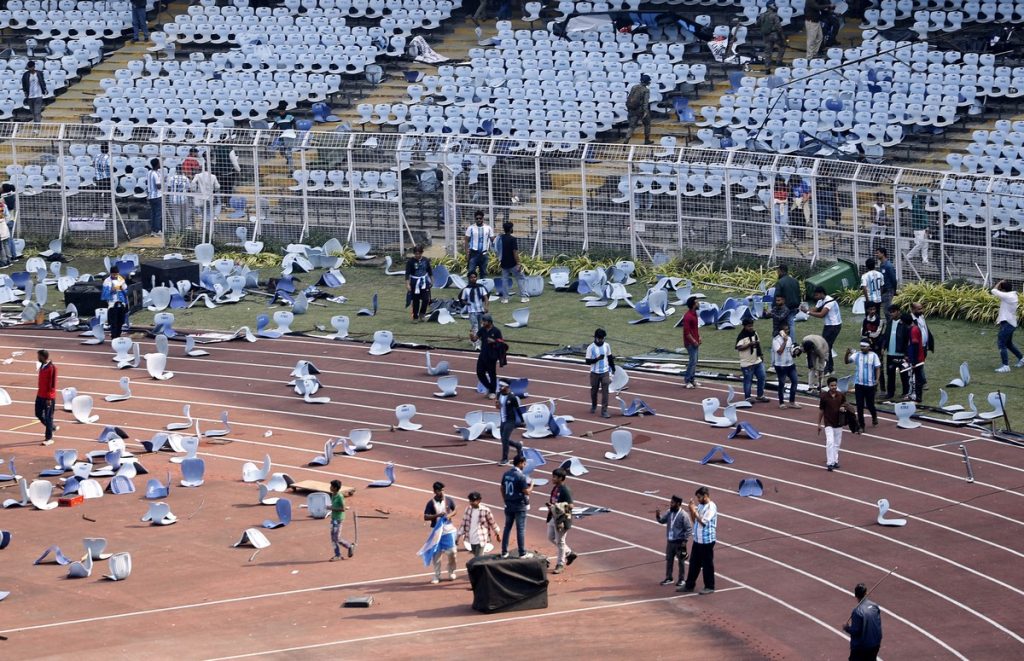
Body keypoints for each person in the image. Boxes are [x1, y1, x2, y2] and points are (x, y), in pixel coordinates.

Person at [678, 486, 717, 595]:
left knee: (707, 564)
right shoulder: (700, 506)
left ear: (705, 496)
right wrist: (692, 511)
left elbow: (703, 522)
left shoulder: (711, 507)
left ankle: (709, 586)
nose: (698, 500)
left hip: (707, 541)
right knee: (694, 563)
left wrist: (694, 511)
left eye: (699, 497)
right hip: (698, 540)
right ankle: (689, 585)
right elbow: (695, 521)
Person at [500, 454, 533, 559]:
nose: (525, 465)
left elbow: (501, 488)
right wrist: (532, 484)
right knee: (520, 529)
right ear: (520, 463)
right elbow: (526, 492)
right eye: (524, 463)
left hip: (509, 504)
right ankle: (522, 553)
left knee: (507, 528)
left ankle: (504, 552)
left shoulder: (506, 474)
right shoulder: (521, 476)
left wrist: (505, 499)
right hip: (519, 506)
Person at [424, 482, 458, 583]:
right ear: (434, 491)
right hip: (436, 531)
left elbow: (455, 510)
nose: (442, 492)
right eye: (440, 490)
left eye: (443, 490)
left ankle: (451, 571)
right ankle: (437, 575)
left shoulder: (448, 500)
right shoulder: (431, 503)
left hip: (448, 530)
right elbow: (425, 516)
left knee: (452, 552)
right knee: (436, 554)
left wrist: (449, 515)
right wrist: (437, 515)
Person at [657, 495, 692, 587]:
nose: (670, 504)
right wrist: (658, 516)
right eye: (670, 502)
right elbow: (662, 521)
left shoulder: (683, 515)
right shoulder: (669, 512)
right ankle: (669, 578)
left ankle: (681, 579)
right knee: (669, 560)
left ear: (678, 504)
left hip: (679, 542)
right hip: (670, 541)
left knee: (681, 561)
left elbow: (688, 529)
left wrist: (685, 541)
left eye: (672, 503)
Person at [546, 467, 576, 574]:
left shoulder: (565, 490)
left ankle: (560, 564)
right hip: (552, 517)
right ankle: (569, 553)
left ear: (561, 478)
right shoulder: (555, 488)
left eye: (554, 477)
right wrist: (552, 507)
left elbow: (571, 506)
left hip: (561, 520)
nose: (552, 479)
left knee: (560, 542)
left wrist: (559, 509)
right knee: (550, 537)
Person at [845, 340, 880, 431]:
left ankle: (874, 416)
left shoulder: (874, 356)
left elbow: (877, 368)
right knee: (859, 406)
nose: (862, 348)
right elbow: (847, 362)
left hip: (870, 385)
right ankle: (861, 425)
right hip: (859, 384)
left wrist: (877, 379)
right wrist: (847, 354)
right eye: (861, 346)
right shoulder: (857, 355)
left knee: (870, 405)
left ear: (869, 347)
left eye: (864, 347)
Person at [843, 583, 883, 660]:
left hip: (862, 648)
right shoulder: (875, 606)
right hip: (875, 644)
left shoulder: (857, 611)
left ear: (855, 595)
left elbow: (856, 631)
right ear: (866, 593)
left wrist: (846, 628)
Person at [808, 286, 842, 374]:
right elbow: (815, 309)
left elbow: (821, 314)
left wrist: (808, 312)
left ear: (821, 293)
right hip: (828, 325)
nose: (815, 297)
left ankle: (828, 368)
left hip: (834, 326)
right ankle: (830, 368)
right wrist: (805, 309)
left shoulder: (829, 302)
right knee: (826, 347)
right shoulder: (821, 301)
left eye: (816, 295)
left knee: (826, 347)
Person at [735, 317, 770, 404]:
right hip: (747, 363)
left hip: (757, 360)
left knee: (762, 377)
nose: (751, 328)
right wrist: (749, 344)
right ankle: (748, 397)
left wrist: (761, 355)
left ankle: (760, 395)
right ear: (744, 326)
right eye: (749, 326)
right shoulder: (741, 336)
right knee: (748, 380)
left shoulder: (755, 333)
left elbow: (758, 344)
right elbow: (739, 347)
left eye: (752, 326)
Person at [991, 279, 1023, 372]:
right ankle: (1021, 358)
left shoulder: (1007, 296)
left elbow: (993, 291)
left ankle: (1005, 366)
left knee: (1001, 343)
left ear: (1003, 290)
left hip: (1008, 324)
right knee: (1008, 344)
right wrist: (1002, 284)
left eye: (1001, 288)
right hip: (1010, 323)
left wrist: (999, 283)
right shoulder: (1011, 295)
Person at [817, 376, 848, 471]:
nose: (834, 387)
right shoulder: (824, 397)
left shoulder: (841, 395)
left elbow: (846, 405)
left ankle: (835, 461)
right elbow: (821, 410)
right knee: (830, 442)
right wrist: (818, 424)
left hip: (838, 423)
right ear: (828, 386)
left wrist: (844, 407)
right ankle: (830, 463)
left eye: (835, 385)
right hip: (828, 423)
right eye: (832, 385)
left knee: (837, 444)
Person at [456, 491, 501, 558]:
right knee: (476, 557)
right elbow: (463, 524)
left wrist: (497, 534)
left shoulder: (485, 510)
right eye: (470, 501)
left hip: (481, 538)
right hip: (471, 539)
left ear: (479, 500)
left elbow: (492, 522)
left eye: (473, 501)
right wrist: (458, 536)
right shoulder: (468, 510)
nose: (471, 503)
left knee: (478, 558)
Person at [880, 305, 909, 401]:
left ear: (898, 311)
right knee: (890, 374)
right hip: (890, 354)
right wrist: (883, 347)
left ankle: (905, 392)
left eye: (893, 311)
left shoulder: (904, 324)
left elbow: (906, 339)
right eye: (890, 312)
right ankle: (890, 393)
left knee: (904, 374)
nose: (891, 313)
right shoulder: (889, 322)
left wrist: (906, 353)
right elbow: (885, 336)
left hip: (901, 354)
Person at [495, 221, 528, 303]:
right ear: (510, 229)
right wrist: (518, 263)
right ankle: (523, 296)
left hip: (503, 262)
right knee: (521, 278)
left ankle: (505, 298)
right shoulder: (513, 239)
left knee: (505, 280)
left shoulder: (500, 238)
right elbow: (515, 252)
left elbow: (496, 248)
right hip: (513, 263)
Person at [585, 328, 614, 418]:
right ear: (595, 338)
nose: (601, 340)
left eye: (602, 339)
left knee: (605, 392)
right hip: (594, 373)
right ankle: (594, 405)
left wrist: (613, 368)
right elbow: (587, 361)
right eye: (599, 339)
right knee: (594, 390)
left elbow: (609, 357)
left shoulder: (607, 346)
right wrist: (597, 359)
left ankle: (604, 411)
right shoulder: (591, 347)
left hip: (605, 372)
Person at [496, 380, 523, 465]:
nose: (500, 388)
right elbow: (498, 407)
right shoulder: (499, 394)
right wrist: (497, 405)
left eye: (502, 386)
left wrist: (522, 420)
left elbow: (518, 409)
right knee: (503, 439)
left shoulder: (512, 397)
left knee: (504, 439)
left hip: (510, 421)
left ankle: (505, 459)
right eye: (499, 386)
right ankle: (517, 445)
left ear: (507, 387)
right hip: (502, 420)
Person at [476, 314, 502, 398]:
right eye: (482, 321)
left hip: (492, 356)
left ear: (489, 322)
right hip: (483, 354)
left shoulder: (496, 331)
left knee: (492, 374)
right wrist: (472, 337)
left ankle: (493, 392)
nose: (482, 323)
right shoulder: (482, 330)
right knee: (479, 372)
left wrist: (493, 341)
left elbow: (501, 343)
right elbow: (475, 338)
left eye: (484, 321)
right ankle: (489, 387)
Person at [460, 271, 489, 350]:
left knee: (482, 327)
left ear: (477, 278)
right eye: (471, 277)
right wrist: (467, 303)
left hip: (480, 310)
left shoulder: (481, 287)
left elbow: (486, 297)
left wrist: (486, 306)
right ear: (469, 279)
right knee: (475, 326)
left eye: (474, 277)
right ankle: (477, 345)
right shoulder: (466, 289)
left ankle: (476, 339)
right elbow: (462, 299)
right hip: (472, 311)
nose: (473, 279)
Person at [328, 479, 355, 561]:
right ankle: (337, 554)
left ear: (336, 488)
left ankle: (349, 546)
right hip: (333, 519)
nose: (330, 487)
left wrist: (331, 508)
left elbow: (343, 509)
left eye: (332, 486)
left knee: (336, 538)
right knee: (333, 538)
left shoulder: (340, 496)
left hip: (338, 519)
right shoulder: (333, 494)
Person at [404, 245, 432, 322]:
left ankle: (422, 314)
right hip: (414, 282)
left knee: (426, 299)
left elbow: (429, 271)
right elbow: (407, 274)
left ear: (421, 253)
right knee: (416, 300)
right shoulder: (410, 262)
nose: (417, 255)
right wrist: (407, 284)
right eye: (416, 254)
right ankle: (415, 317)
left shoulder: (425, 260)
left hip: (424, 282)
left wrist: (431, 281)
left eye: (419, 253)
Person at [773, 328, 800, 409]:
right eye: (785, 330)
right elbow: (779, 351)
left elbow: (790, 351)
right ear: (780, 331)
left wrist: (796, 351)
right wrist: (784, 341)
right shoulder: (776, 340)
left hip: (791, 365)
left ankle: (792, 402)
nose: (787, 331)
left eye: (788, 329)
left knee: (795, 381)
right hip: (781, 366)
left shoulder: (790, 338)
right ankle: (781, 403)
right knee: (782, 384)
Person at [910, 301, 934, 388]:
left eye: (921, 308)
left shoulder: (921, 317)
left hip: (924, 346)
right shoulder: (910, 319)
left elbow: (925, 329)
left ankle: (917, 381)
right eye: (919, 309)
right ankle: (923, 382)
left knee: (920, 364)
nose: (921, 310)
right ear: (913, 309)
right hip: (916, 347)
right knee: (919, 365)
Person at [36, 349, 57, 446]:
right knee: (38, 414)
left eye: (39, 356)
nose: (37, 358)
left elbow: (52, 384)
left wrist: (49, 398)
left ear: (43, 357)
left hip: (48, 397)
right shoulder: (42, 366)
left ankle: (49, 438)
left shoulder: (52, 368)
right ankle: (51, 427)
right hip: (40, 395)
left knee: (49, 417)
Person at [101, 265, 129, 339]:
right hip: (112, 303)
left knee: (120, 321)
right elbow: (104, 295)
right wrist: (112, 290)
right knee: (114, 322)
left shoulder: (121, 279)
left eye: (116, 274)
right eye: (114, 274)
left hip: (121, 302)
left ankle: (118, 335)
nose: (115, 275)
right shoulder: (107, 281)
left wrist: (122, 289)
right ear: (111, 273)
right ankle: (114, 337)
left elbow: (126, 291)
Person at [757, 1, 788, 70]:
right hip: (774, 35)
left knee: (768, 52)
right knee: (783, 46)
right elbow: (779, 27)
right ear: (771, 6)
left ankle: (767, 68)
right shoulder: (774, 15)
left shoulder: (762, 15)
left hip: (765, 36)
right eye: (774, 5)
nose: (776, 6)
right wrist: (782, 36)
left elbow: (757, 24)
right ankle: (778, 61)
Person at [775, 264, 802, 339]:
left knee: (781, 325)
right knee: (791, 324)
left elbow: (777, 296)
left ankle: (785, 342)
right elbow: (799, 294)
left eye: (778, 271)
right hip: (794, 306)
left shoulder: (780, 282)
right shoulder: (795, 281)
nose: (777, 273)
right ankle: (792, 343)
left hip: (784, 307)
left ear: (780, 271)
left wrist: (774, 308)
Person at [464, 210, 494, 278]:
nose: (478, 220)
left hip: (484, 254)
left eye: (480, 218)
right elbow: (466, 241)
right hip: (474, 254)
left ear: (483, 218)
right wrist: (467, 254)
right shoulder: (470, 228)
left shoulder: (488, 228)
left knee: (484, 273)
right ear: (475, 219)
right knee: (471, 272)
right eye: (477, 218)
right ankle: (471, 287)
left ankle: (482, 288)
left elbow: (493, 240)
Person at [624, 74, 652, 145]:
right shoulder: (646, 90)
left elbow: (629, 97)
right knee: (647, 124)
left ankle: (626, 140)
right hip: (640, 110)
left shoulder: (634, 87)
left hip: (632, 109)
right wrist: (645, 111)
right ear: (647, 82)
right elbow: (646, 102)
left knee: (631, 126)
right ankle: (647, 140)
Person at [905, 188, 930, 265]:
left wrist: (926, 226)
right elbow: (918, 216)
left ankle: (925, 260)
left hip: (924, 227)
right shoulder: (917, 203)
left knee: (925, 244)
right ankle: (908, 256)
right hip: (919, 228)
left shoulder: (922, 202)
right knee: (920, 244)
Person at [164, 165, 191, 235]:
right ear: (182, 170)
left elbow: (169, 189)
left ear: (176, 170)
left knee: (176, 215)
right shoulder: (186, 178)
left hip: (173, 199)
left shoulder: (171, 178)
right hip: (184, 199)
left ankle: (178, 231)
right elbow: (188, 189)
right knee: (185, 215)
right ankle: (185, 230)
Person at [191, 164, 220, 230]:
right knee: (209, 213)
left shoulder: (198, 175)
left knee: (203, 213)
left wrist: (195, 190)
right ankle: (208, 229)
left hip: (201, 197)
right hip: (209, 197)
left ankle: (203, 228)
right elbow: (217, 186)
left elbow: (193, 183)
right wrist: (214, 190)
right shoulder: (213, 176)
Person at [904, 312, 925, 403]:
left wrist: (914, 361)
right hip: (915, 358)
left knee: (917, 379)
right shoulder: (913, 329)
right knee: (913, 378)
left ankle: (918, 397)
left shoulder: (914, 330)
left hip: (917, 360)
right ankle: (913, 395)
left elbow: (915, 345)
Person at [682, 296, 701, 388]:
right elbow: (687, 332)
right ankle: (687, 380)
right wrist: (693, 341)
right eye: (697, 302)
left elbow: (695, 329)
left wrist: (699, 337)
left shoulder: (694, 314)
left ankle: (692, 379)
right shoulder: (688, 316)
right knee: (692, 361)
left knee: (695, 361)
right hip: (690, 343)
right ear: (693, 305)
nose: (699, 303)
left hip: (695, 342)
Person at [22, 61, 47, 127]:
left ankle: (37, 127)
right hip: (30, 96)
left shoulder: (39, 73)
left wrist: (44, 89)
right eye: (29, 67)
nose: (30, 69)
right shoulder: (25, 75)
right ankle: (38, 118)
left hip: (38, 95)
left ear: (34, 66)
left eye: (31, 67)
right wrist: (25, 92)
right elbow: (24, 84)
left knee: (36, 112)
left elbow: (42, 82)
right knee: (33, 112)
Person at [876, 247, 897, 315]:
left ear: (883, 254)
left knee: (887, 311)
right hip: (884, 291)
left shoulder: (888, 266)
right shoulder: (882, 265)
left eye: (878, 253)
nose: (876, 254)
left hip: (888, 290)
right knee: (885, 310)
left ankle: (890, 324)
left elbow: (893, 279)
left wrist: (894, 290)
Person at [146, 158, 162, 236]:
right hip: (157, 196)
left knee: (153, 213)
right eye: (159, 163)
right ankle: (157, 230)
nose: (160, 164)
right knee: (158, 214)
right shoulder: (156, 174)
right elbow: (158, 186)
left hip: (150, 196)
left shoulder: (149, 172)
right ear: (157, 164)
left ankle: (152, 230)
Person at [771, 177, 789, 245]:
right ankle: (778, 239)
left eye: (781, 181)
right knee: (776, 223)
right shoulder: (773, 188)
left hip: (783, 205)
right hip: (775, 205)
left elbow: (787, 197)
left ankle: (784, 237)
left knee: (783, 222)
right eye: (778, 181)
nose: (779, 183)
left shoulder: (786, 187)